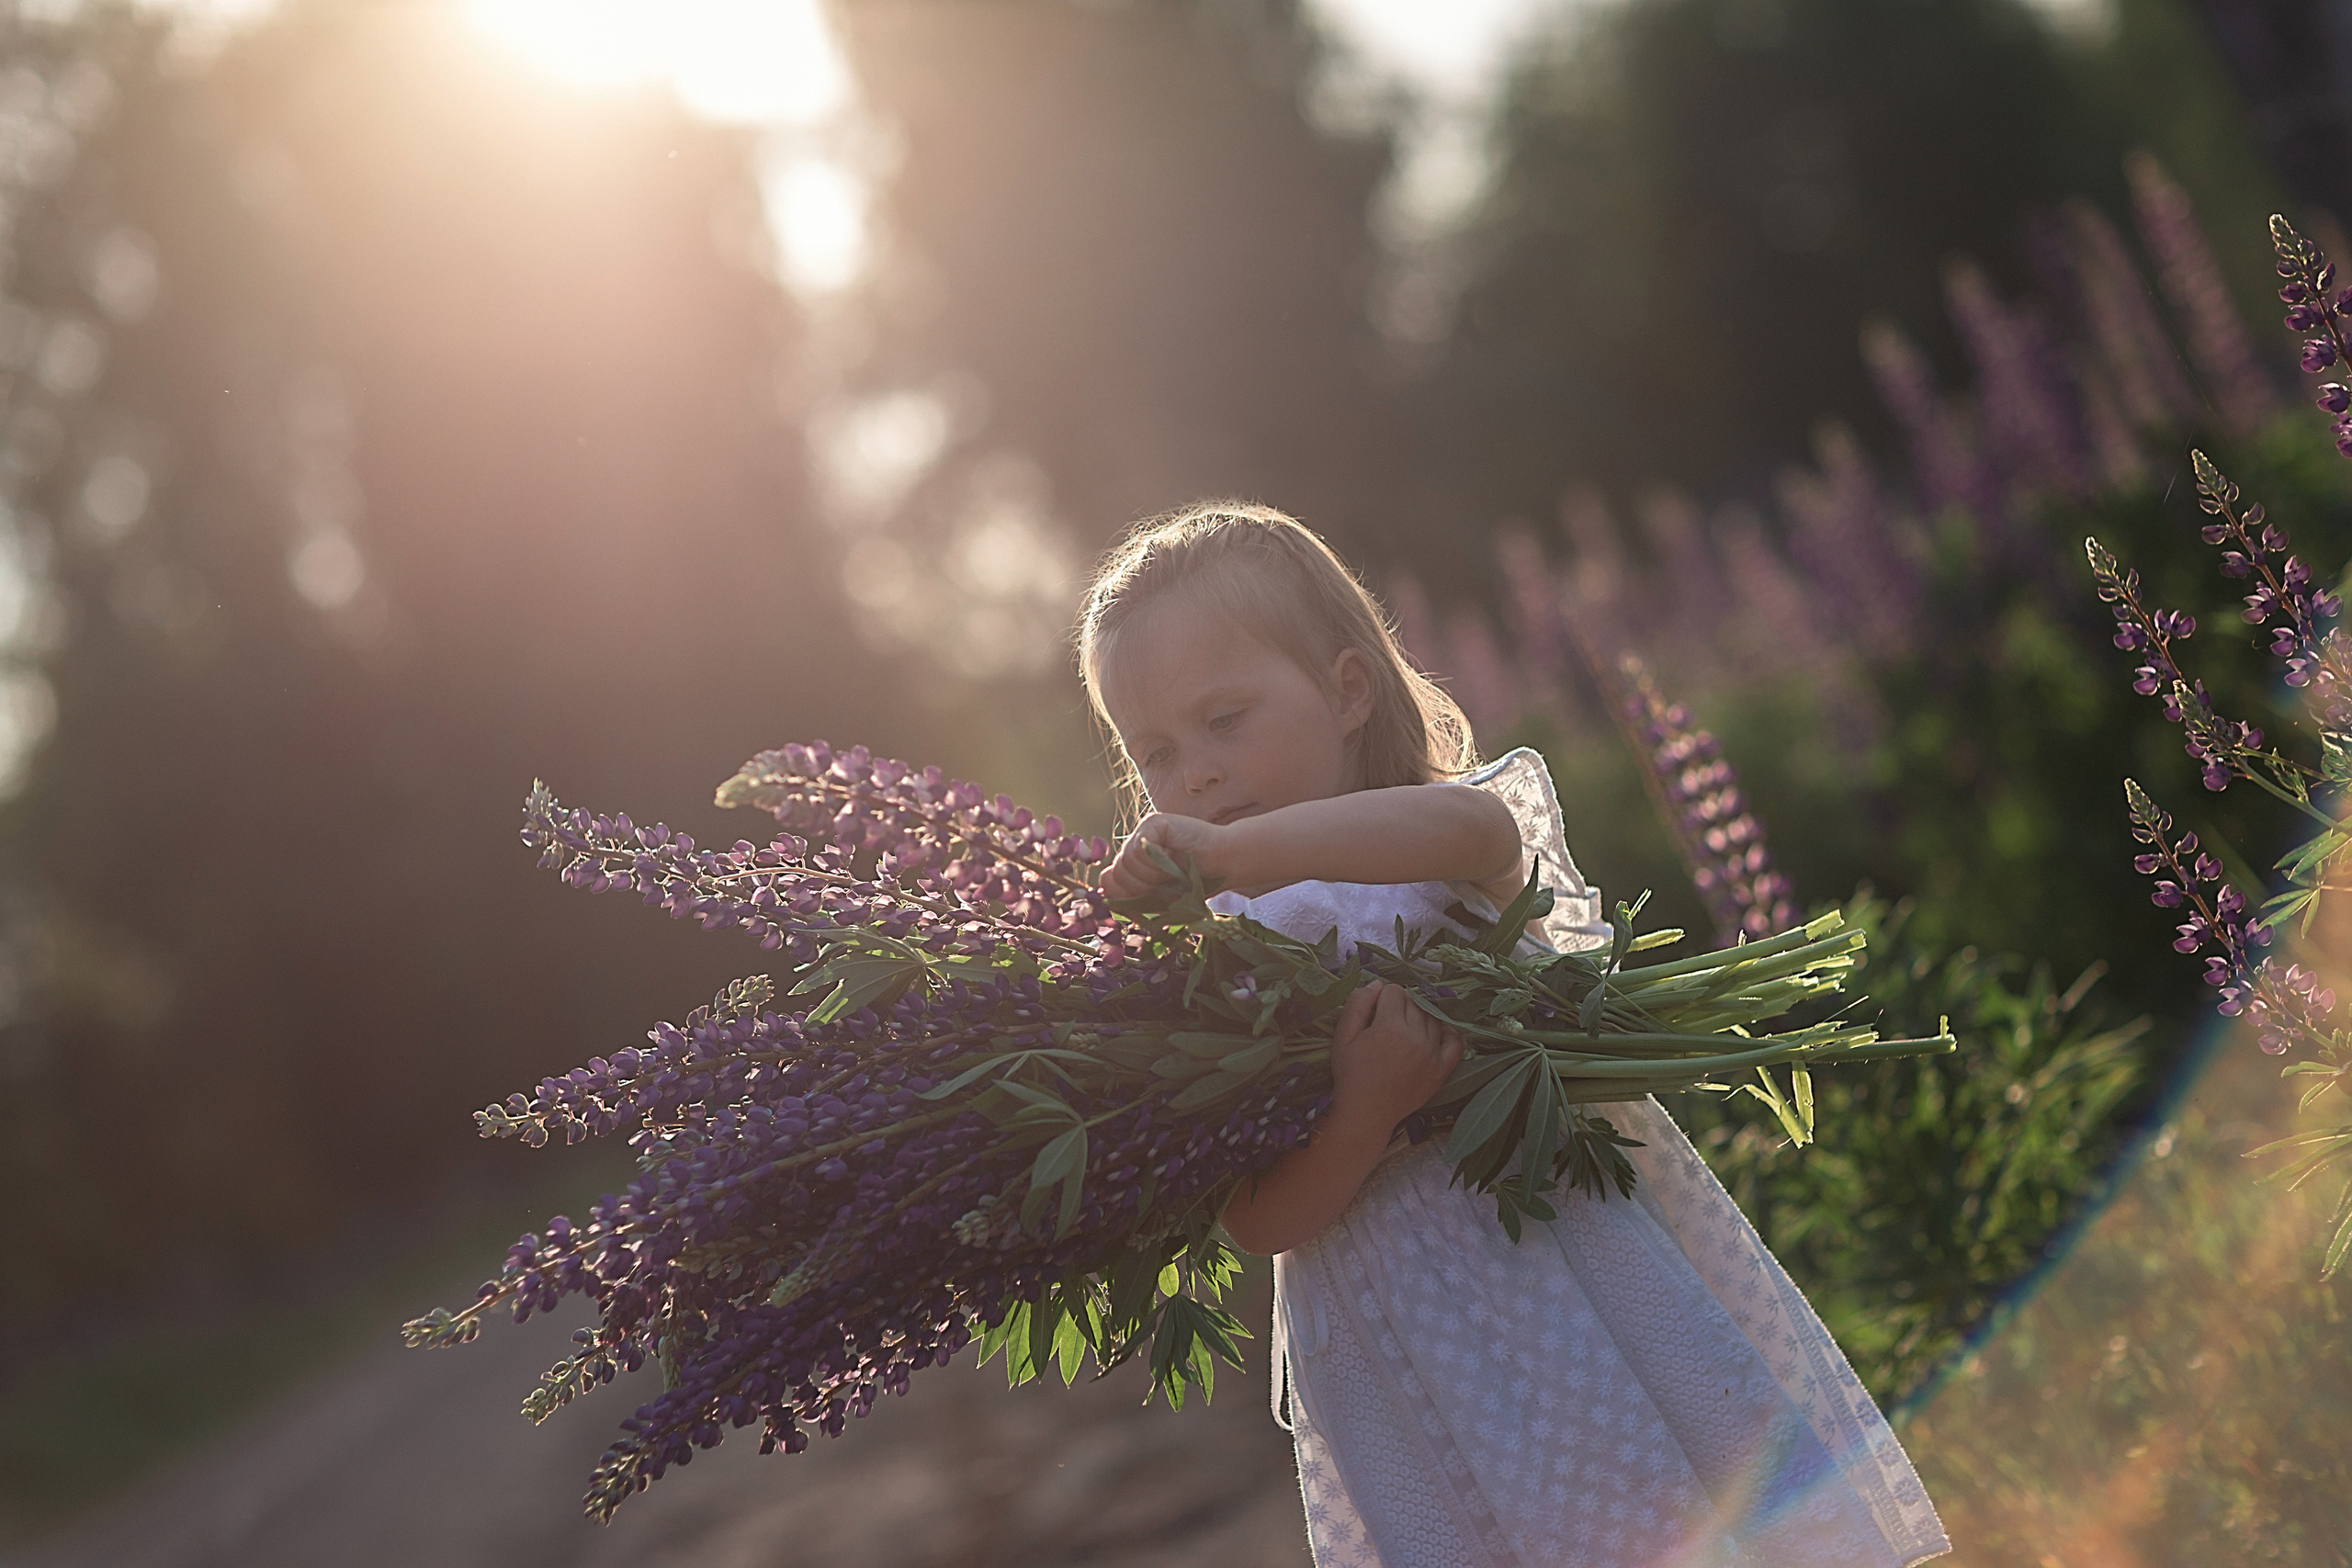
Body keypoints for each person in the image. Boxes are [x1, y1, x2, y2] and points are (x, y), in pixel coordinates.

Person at [1077, 502, 1950, 1568]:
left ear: (1349, 689)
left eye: (1224, 719)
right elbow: (1258, 1221)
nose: (1196, 773)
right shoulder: (1217, 967)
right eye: (1155, 751)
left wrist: (1230, 858)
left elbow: (1471, 833)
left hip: (1567, 1275)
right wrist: (1364, 1111)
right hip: (1404, 1347)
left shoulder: (1443, 833)